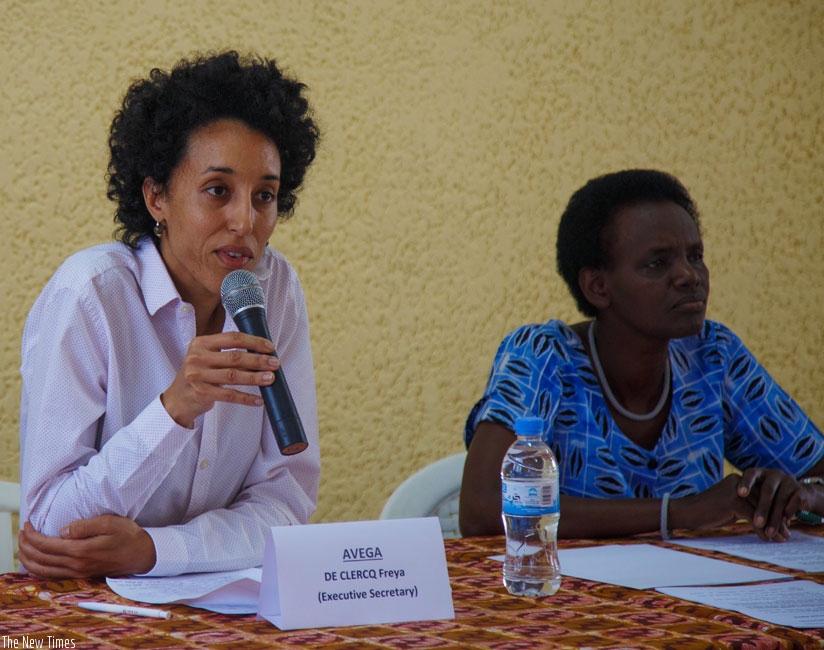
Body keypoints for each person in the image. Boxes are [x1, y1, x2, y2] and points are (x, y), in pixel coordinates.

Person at [17, 51, 321, 578]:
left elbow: (286, 502)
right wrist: (175, 409)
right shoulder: (89, 295)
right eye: (217, 191)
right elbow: (50, 526)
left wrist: (156, 551)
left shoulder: (275, 291)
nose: (245, 221)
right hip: (83, 612)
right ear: (156, 195)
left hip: (224, 609)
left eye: (265, 196)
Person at [460, 169, 824, 541]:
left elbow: (817, 474)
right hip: (568, 593)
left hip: (698, 591)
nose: (689, 275)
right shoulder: (543, 356)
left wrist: (802, 493)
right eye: (657, 263)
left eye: (695, 256)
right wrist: (679, 512)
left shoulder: (714, 356)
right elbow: (482, 509)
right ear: (598, 286)